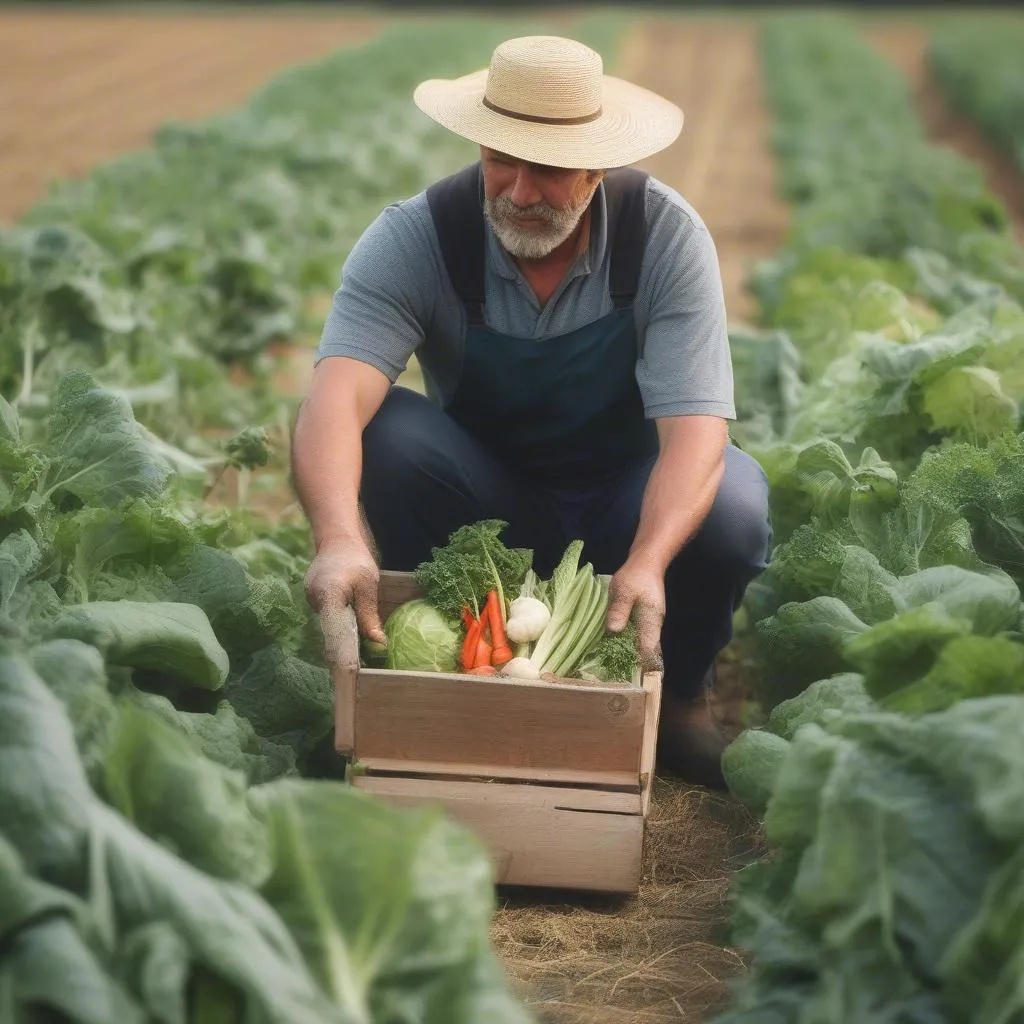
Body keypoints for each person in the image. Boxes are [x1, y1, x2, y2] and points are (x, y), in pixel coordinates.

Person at [291, 35, 772, 789]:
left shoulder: (663, 239)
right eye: (499, 161)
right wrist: (338, 537)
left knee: (733, 505)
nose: (517, 191)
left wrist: (645, 562)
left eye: (546, 169)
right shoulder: (420, 235)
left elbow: (696, 437)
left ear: (597, 166)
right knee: (385, 433)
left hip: (624, 505)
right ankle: (466, 663)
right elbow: (333, 398)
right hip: (484, 509)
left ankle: (677, 702)